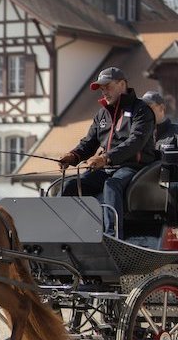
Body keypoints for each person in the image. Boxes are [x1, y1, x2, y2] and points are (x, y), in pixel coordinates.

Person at [58, 67, 158, 238]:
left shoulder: (141, 110)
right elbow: (89, 142)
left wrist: (106, 157)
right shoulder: (102, 114)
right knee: (70, 185)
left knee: (111, 185)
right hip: (106, 168)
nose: (104, 91)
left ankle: (112, 236)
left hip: (135, 167)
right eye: (101, 88)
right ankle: (65, 233)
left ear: (122, 84)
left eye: (107, 86)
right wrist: (73, 156)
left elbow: (136, 142)